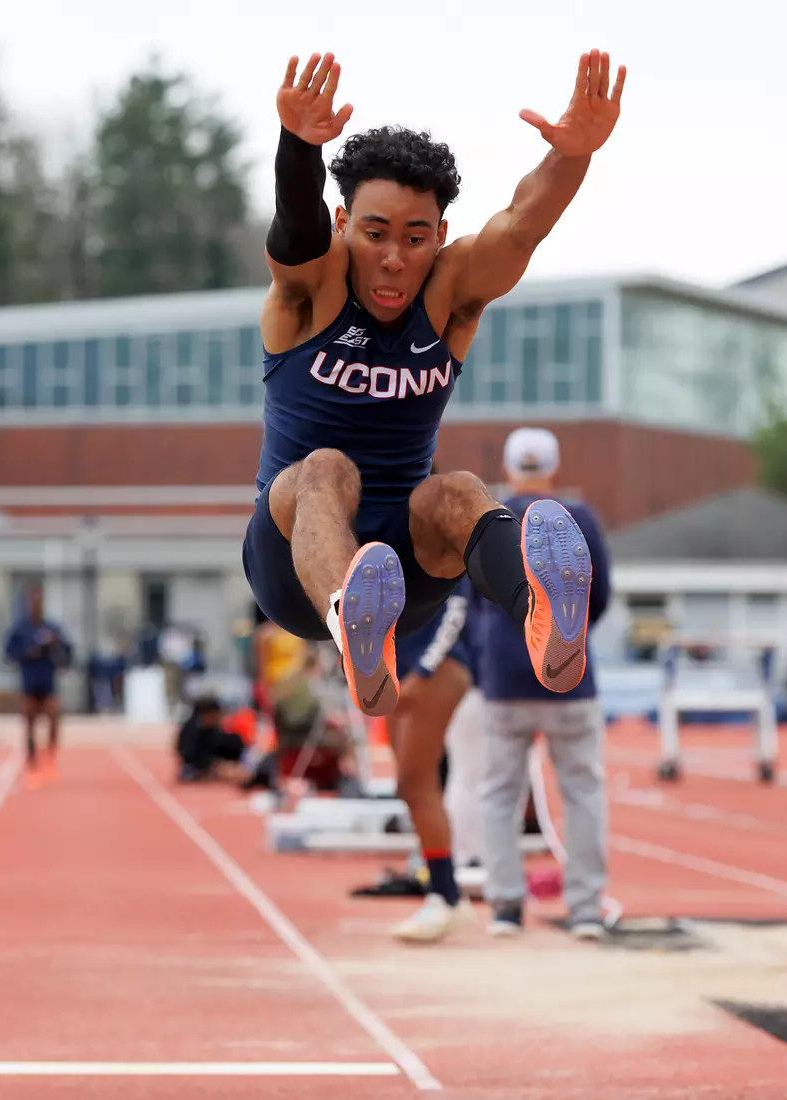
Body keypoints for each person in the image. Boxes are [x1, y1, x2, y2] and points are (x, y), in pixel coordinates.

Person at [244, 49, 627, 720]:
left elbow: (521, 224)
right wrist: (299, 144)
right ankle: (350, 617)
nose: (395, 257)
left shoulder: (449, 293)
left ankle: (540, 614)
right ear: (344, 227)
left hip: (405, 569)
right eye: (376, 233)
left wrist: (573, 156)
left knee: (457, 490)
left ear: (441, 236)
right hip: (292, 558)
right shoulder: (314, 289)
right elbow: (297, 225)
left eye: (416, 238)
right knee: (325, 468)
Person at [471, 428, 613, 940]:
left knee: (497, 795)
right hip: (571, 682)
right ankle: (586, 909)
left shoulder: (487, 523)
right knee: (583, 792)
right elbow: (599, 600)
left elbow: (469, 601)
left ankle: (506, 906)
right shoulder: (584, 520)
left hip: (504, 678)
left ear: (509, 470)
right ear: (553, 468)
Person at [388, 576, 478, 942]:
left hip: (436, 668)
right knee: (412, 789)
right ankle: (441, 890)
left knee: (416, 782)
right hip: (400, 669)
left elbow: (457, 609)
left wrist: (423, 670)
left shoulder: (429, 529)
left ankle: (446, 895)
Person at [3, 584, 73, 788]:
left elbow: (67, 655)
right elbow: (8, 654)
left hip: (48, 681)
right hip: (29, 681)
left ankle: (50, 755)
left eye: (39, 600)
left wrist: (55, 648)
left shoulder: (53, 628)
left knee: (54, 717)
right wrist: (28, 652)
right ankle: (32, 759)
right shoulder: (20, 628)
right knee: (29, 724)